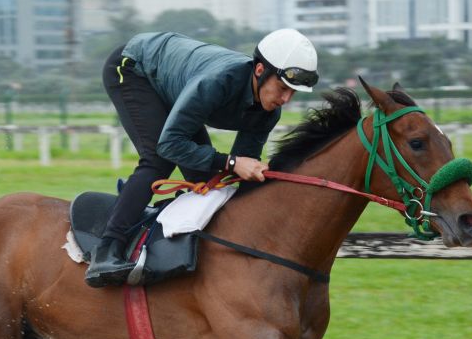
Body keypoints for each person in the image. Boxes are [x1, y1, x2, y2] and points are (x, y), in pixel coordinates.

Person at [85, 28, 320, 288]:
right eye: (283, 87)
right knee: (158, 161)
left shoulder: (268, 113)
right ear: (260, 70)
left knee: (210, 181)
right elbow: (170, 145)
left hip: (176, 83)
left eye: (293, 92)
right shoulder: (218, 82)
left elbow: (236, 172)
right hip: (133, 67)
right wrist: (231, 162)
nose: (286, 99)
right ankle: (106, 251)